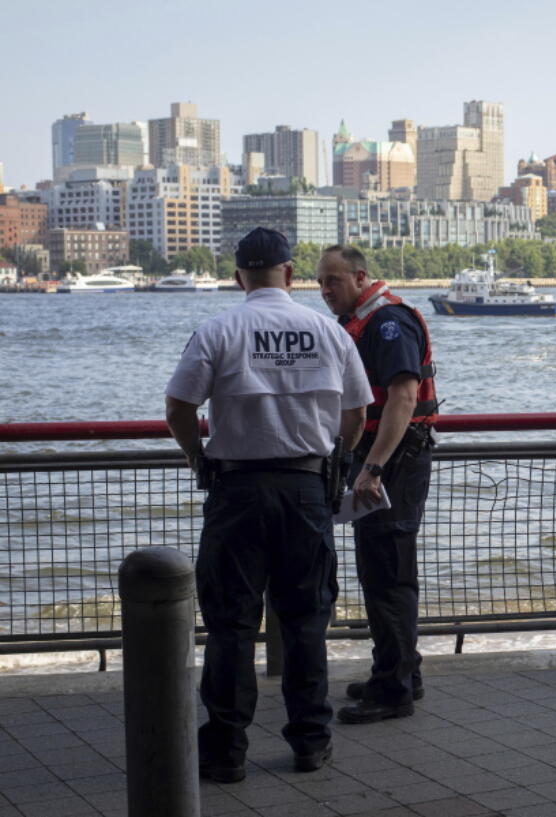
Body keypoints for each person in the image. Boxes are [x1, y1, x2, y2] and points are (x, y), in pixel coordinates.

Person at [165, 228, 372, 783]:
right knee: (306, 620)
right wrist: (341, 459)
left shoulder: (218, 330)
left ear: (239, 278)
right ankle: (310, 741)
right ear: (289, 274)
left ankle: (226, 750)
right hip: (307, 490)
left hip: (236, 493)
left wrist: (197, 455)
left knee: (231, 623)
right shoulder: (328, 333)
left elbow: (179, 404)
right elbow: (356, 414)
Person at [316, 244, 438, 725]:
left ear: (361, 277)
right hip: (386, 460)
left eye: (334, 281)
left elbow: (404, 398)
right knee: (382, 568)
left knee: (387, 572)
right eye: (320, 281)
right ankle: (403, 671)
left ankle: (394, 690)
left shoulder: (387, 323)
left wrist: (373, 468)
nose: (325, 290)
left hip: (394, 462)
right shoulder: (366, 320)